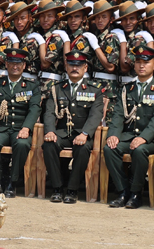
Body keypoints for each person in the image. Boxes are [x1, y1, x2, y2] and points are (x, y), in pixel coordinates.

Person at [104, 46, 154, 209]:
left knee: (139, 150)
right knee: (110, 148)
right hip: (128, 136)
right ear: (134, 65)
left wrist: (143, 138)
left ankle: (136, 194)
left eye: (146, 63)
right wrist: (113, 134)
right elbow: (118, 115)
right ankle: (123, 191)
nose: (142, 66)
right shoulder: (128, 88)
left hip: (150, 138)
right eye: (138, 62)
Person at [41, 51, 107, 203]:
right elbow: (49, 112)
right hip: (63, 133)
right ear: (66, 67)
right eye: (71, 65)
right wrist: (50, 131)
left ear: (85, 68)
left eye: (78, 65)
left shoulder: (94, 89)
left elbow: (95, 115)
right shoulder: (57, 88)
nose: (74, 68)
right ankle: (57, 188)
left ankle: (72, 189)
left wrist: (85, 134)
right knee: (49, 144)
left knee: (82, 149)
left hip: (82, 133)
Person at [0, 47, 42, 198]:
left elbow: (34, 109)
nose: (15, 66)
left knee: (22, 144)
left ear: (24, 66)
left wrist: (27, 128)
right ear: (6, 65)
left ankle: (12, 182)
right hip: (0, 128)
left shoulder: (32, 86)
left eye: (19, 63)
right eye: (12, 63)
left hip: (20, 128)